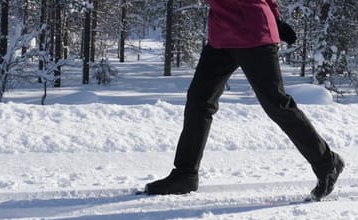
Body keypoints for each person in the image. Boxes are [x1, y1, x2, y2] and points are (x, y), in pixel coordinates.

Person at [143, 0, 344, 201]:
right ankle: (185, 174)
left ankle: (327, 163)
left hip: (254, 33)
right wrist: (276, 19)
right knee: (199, 101)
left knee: (277, 105)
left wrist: (275, 20)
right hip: (222, 36)